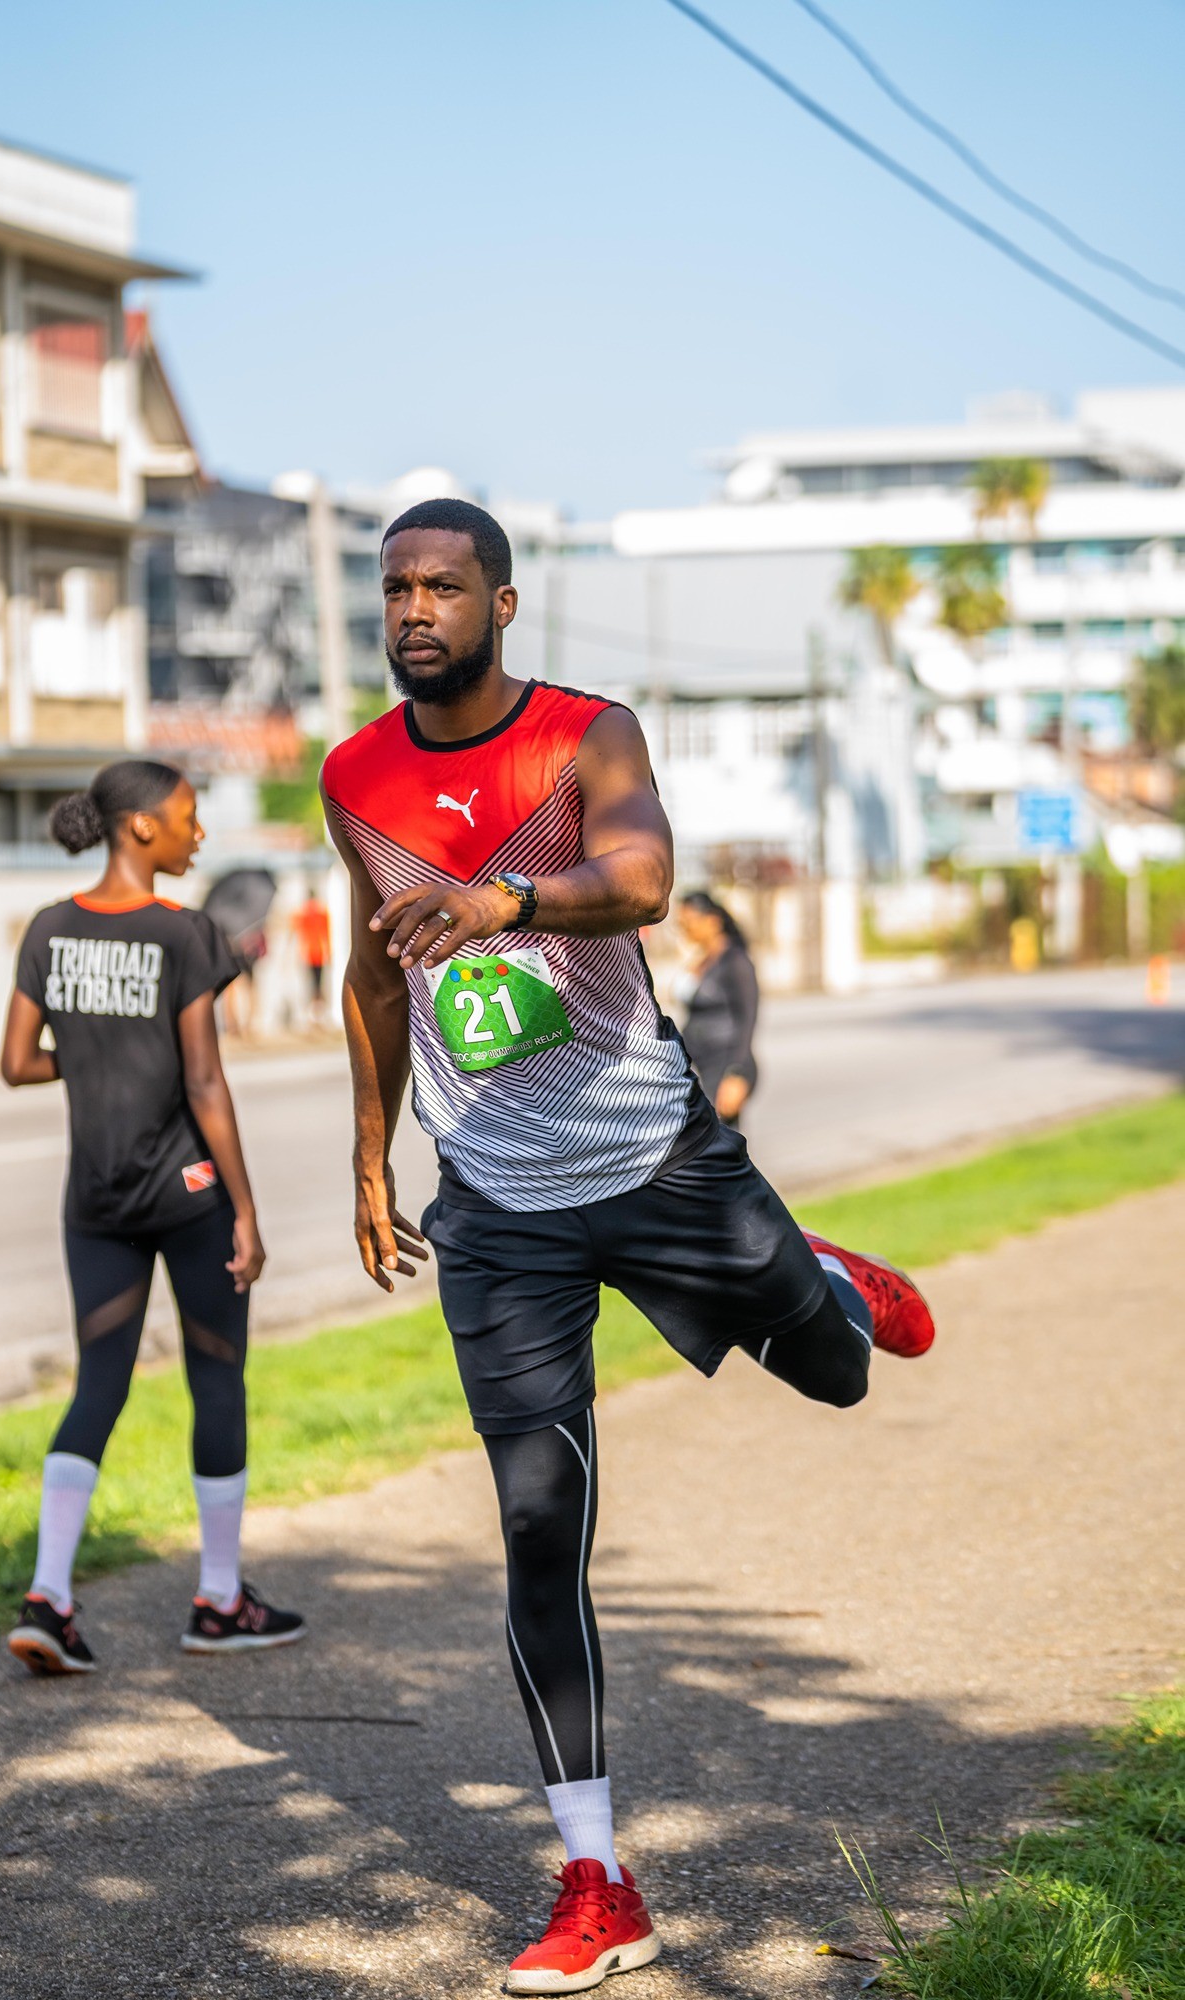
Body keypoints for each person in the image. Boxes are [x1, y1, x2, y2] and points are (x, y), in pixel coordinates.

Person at [321, 498, 935, 1995]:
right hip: (497, 1207)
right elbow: (374, 973)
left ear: (499, 604)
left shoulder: (585, 735)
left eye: (442, 586)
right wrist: (369, 1152)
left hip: (659, 1163)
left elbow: (645, 880)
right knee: (540, 1526)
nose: (413, 610)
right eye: (394, 587)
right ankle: (595, 1877)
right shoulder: (353, 776)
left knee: (839, 1376)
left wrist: (504, 898)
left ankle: (824, 1276)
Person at [1, 758, 303, 1675]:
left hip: (94, 1202)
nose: (197, 833)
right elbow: (205, 1081)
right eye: (187, 816)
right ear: (141, 827)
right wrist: (246, 1210)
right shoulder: (183, 932)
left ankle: (48, 1598)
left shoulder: (49, 929)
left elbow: (17, 1062)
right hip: (187, 1196)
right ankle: (218, 1600)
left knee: (98, 1385)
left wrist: (93, 1057)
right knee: (217, 1379)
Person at [677, 889, 759, 1126]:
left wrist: (736, 1074)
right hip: (697, 1064)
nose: (684, 929)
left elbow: (748, 1018)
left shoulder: (736, 961)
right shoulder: (701, 960)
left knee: (720, 1136)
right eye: (680, 924)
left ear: (712, 920)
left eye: (689, 922)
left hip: (725, 1064)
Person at [292, 885, 332, 1025]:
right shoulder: (322, 913)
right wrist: (328, 952)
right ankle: (318, 1012)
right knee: (318, 983)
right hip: (319, 952)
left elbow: (298, 932)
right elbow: (326, 934)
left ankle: (315, 1013)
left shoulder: (303, 914)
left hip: (309, 952)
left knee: (311, 983)